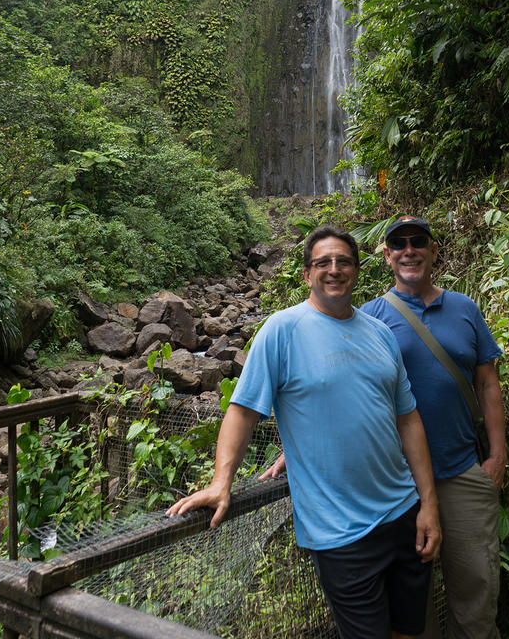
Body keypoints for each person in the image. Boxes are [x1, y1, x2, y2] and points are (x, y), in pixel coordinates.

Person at [167, 225, 441, 639]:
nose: (334, 270)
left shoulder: (381, 334)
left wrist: (428, 504)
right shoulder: (281, 331)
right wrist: (221, 482)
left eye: (344, 261)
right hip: (340, 534)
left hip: (403, 513)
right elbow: (242, 412)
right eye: (323, 262)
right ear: (306, 274)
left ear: (357, 270)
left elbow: (408, 420)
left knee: (409, 631)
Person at [361, 215, 505, 639]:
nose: (410, 250)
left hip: (462, 470)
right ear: (387, 256)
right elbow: (348, 391)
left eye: (418, 241)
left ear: (433, 250)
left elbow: (487, 383)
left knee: (477, 591)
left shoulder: (465, 308)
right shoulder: (369, 318)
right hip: (398, 484)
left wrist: (497, 455)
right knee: (409, 604)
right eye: (399, 244)